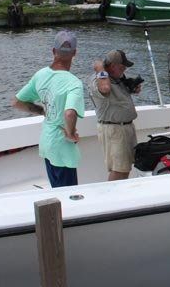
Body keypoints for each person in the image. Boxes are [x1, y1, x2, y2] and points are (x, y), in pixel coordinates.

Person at [12, 30, 85, 188]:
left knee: (56, 189)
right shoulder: (74, 83)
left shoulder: (41, 75)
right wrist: (71, 134)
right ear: (75, 53)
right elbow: (70, 113)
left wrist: (42, 111)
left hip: (47, 142)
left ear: (53, 51)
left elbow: (17, 102)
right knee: (67, 195)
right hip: (62, 147)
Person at [88, 50, 141, 181]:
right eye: (122, 67)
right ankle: (112, 197)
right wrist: (100, 68)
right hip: (114, 130)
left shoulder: (116, 79)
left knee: (125, 167)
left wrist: (132, 87)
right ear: (112, 66)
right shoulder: (99, 79)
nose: (125, 69)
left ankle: (121, 194)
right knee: (119, 169)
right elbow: (105, 89)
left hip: (125, 128)